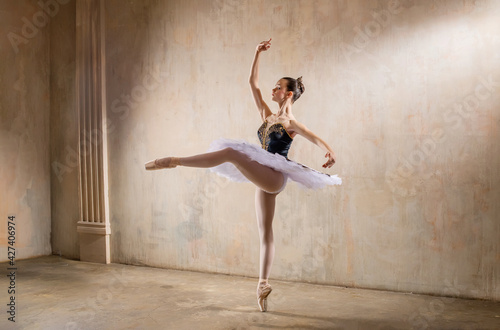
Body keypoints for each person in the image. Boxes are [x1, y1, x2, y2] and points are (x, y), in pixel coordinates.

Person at [145, 38, 341, 312]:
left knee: (231, 153)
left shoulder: (292, 123)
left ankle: (174, 161)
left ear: (289, 95)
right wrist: (256, 53)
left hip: (275, 176)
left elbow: (316, 138)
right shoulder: (266, 115)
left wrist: (330, 152)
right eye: (273, 86)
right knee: (265, 232)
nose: (273, 89)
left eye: (278, 87)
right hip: (264, 176)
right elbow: (253, 84)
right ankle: (262, 285)